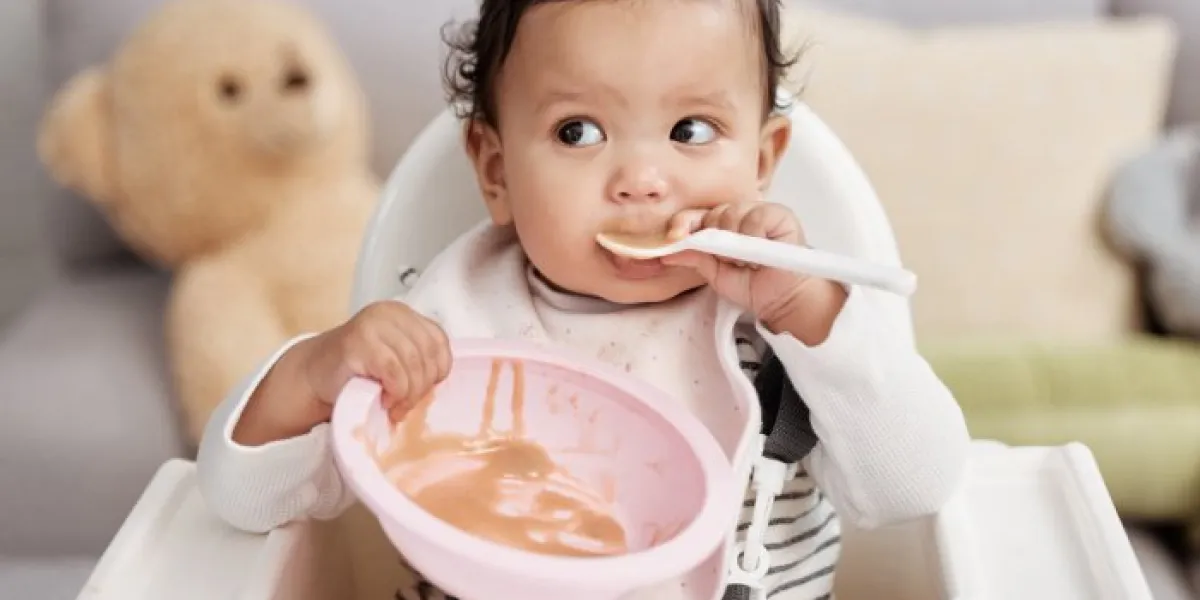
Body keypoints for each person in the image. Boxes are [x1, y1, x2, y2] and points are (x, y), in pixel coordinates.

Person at [196, 1, 971, 598]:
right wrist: (313, 373)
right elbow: (242, 500)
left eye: (691, 129)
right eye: (578, 132)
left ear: (762, 159)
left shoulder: (782, 322)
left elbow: (916, 486)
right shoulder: (448, 328)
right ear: (495, 172)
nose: (641, 178)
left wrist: (812, 314)